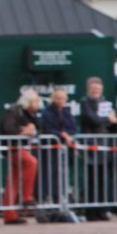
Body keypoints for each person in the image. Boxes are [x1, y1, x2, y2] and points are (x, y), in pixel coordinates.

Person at [76, 76, 117, 220]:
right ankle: (91, 211)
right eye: (93, 89)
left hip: (103, 146)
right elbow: (93, 120)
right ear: (89, 89)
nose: (96, 91)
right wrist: (108, 119)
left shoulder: (104, 102)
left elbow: (113, 122)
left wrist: (109, 120)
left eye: (98, 89)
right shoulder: (85, 102)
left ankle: (101, 210)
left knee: (102, 180)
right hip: (91, 147)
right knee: (92, 180)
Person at [37, 87, 80, 223]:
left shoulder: (67, 112)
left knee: (62, 178)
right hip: (50, 151)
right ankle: (47, 208)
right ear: (53, 99)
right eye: (58, 98)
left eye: (63, 98)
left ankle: (60, 206)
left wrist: (68, 134)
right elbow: (47, 129)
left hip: (64, 152)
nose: (61, 101)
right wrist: (61, 135)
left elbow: (73, 127)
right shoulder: (47, 113)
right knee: (48, 178)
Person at [0, 89, 42, 225]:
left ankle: (9, 214)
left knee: (13, 181)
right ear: (29, 101)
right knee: (31, 162)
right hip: (13, 148)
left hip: (20, 148)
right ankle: (27, 196)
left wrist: (32, 129)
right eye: (36, 101)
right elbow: (8, 129)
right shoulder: (13, 112)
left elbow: (39, 128)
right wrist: (24, 131)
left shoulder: (30, 114)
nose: (38, 103)